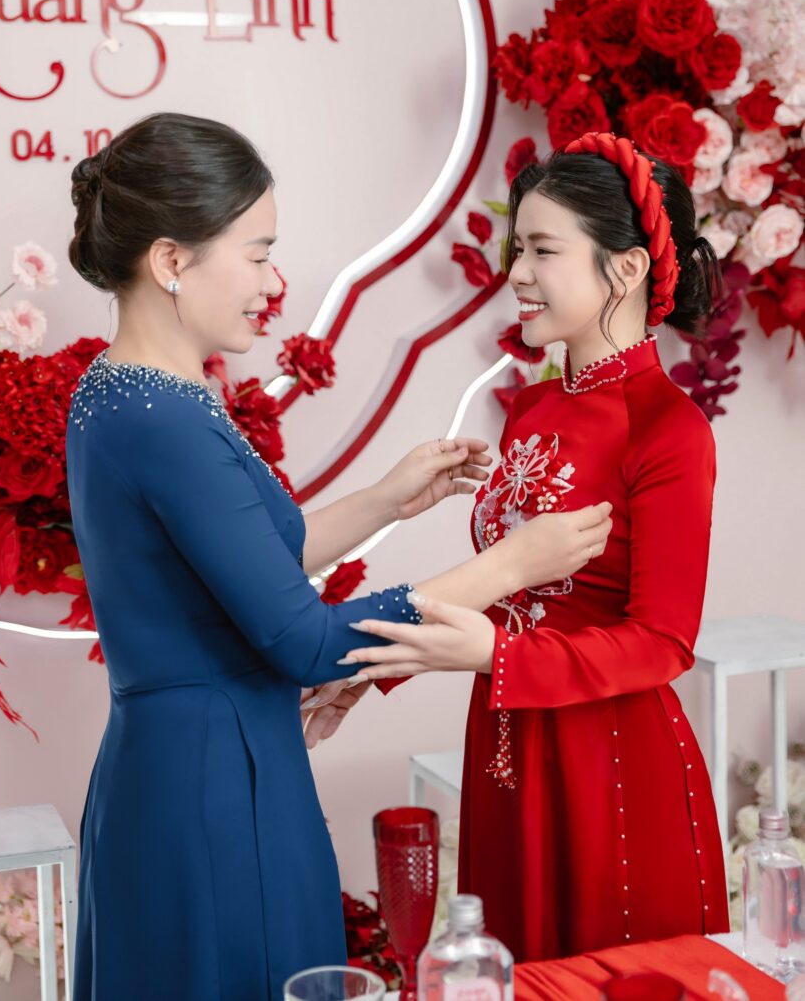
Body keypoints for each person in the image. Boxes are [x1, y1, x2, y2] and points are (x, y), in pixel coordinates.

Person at [64, 112, 612, 999]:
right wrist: (511, 566)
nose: (272, 283)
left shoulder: (125, 391)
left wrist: (389, 497)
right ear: (170, 260)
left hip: (183, 767)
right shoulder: (161, 416)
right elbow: (305, 642)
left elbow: (249, 560)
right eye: (257, 255)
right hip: (213, 789)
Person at [341, 131, 731, 960]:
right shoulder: (533, 408)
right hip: (506, 746)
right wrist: (373, 669)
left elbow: (664, 642)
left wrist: (499, 657)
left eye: (543, 250)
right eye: (518, 248)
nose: (517, 273)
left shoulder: (668, 429)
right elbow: (508, 589)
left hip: (611, 765)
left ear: (625, 268)